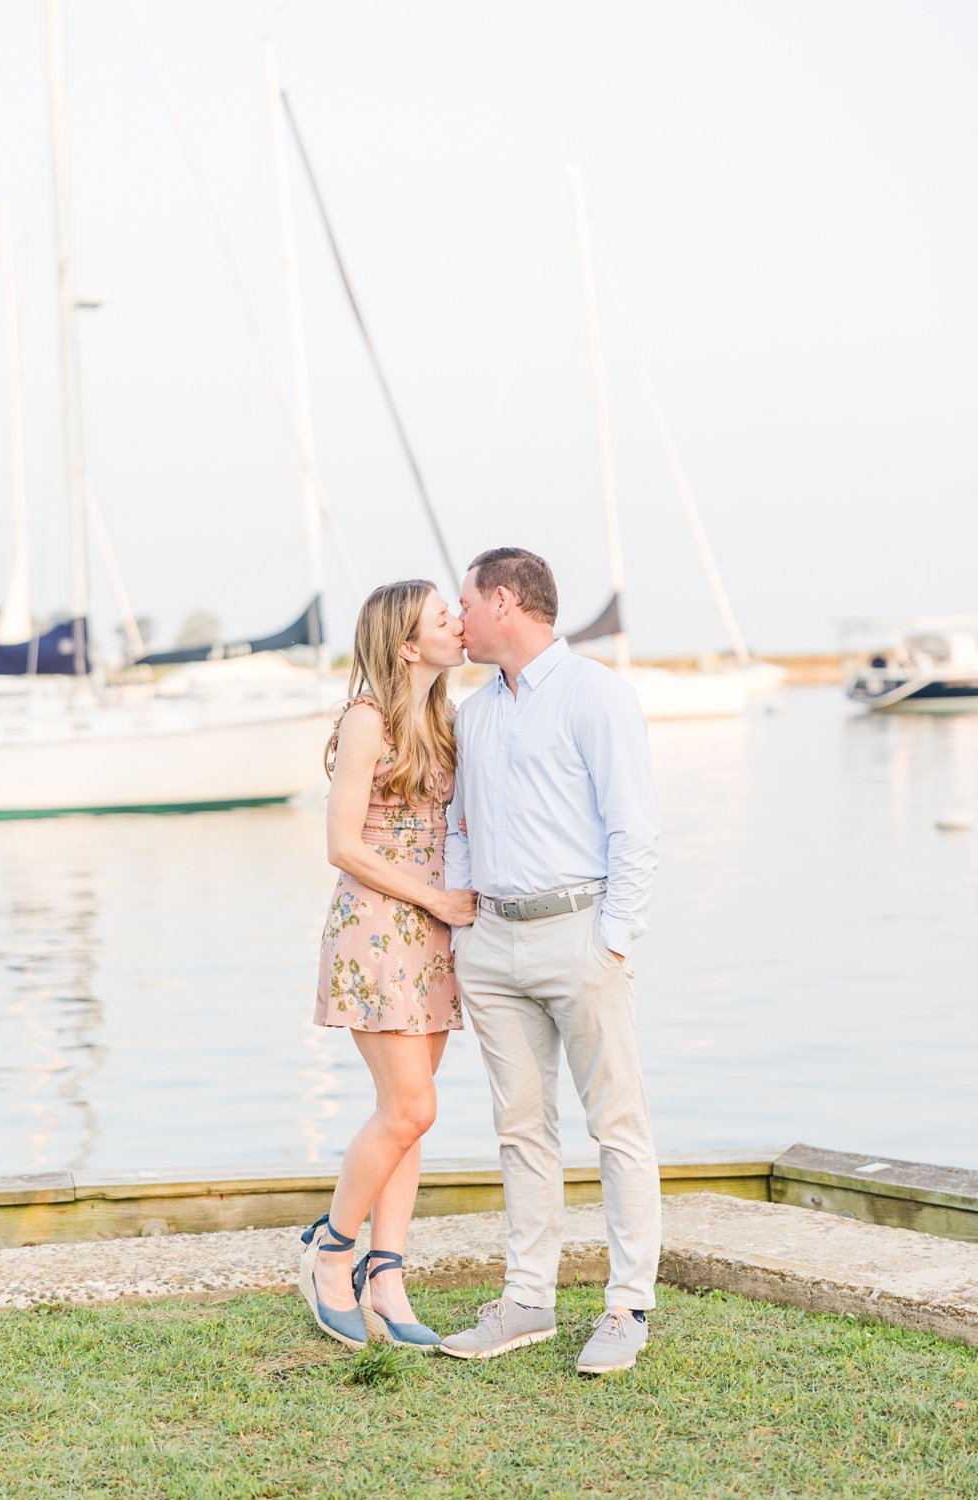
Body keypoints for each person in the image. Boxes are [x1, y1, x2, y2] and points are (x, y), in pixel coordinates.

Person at [440, 547, 661, 1376]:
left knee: (618, 1125)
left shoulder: (596, 695)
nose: (457, 620)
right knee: (520, 1129)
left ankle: (627, 1302)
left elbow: (632, 826)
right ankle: (528, 1299)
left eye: (465, 603)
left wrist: (614, 935)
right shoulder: (474, 711)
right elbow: (462, 827)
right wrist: (467, 926)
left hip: (580, 933)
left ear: (503, 602)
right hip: (492, 945)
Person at [299, 579, 477, 1350]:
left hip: (434, 936)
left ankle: (390, 1275)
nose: (459, 622)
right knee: (410, 1108)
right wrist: (435, 900)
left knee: (410, 1116)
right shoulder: (368, 719)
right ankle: (331, 1255)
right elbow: (343, 844)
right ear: (408, 645)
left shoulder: (446, 719)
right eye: (444, 617)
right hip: (379, 928)